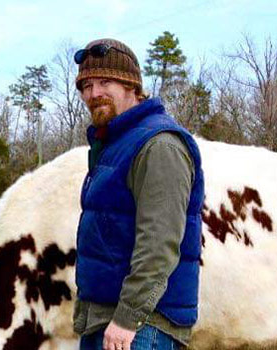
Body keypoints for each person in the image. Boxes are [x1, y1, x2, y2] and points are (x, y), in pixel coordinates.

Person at [72, 38, 204, 350]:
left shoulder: (159, 145)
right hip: (108, 319)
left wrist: (127, 319)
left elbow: (159, 244)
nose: (94, 93)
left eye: (105, 82)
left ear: (132, 86)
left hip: (141, 327)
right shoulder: (117, 144)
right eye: (87, 86)